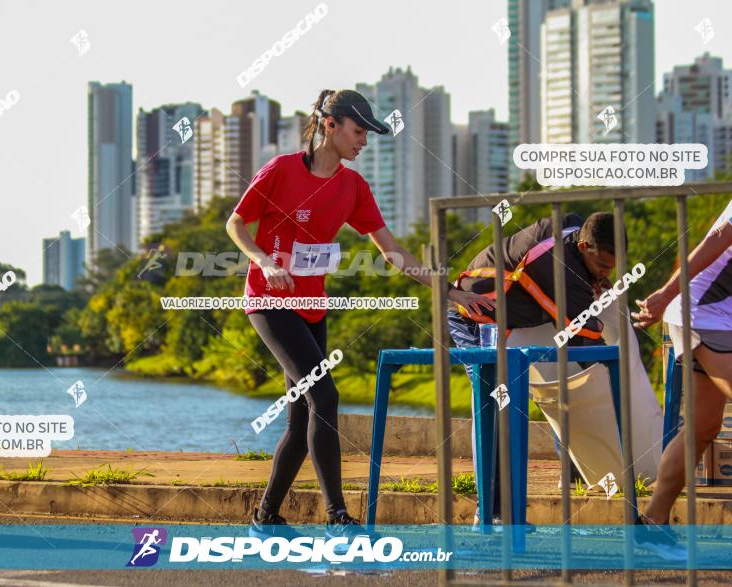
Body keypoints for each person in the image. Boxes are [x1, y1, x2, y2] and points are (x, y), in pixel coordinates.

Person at [225, 89, 493, 540]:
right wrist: (264, 262)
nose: (364, 140)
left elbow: (392, 253)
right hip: (270, 302)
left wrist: (449, 292)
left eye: (368, 132)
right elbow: (236, 223)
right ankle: (337, 517)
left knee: (300, 415)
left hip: (312, 307)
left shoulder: (353, 187)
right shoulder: (281, 170)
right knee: (325, 398)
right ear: (329, 124)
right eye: (358, 130)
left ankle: (265, 516)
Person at [449, 211, 621, 528]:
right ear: (583, 246)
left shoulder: (572, 227)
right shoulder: (560, 266)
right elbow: (587, 340)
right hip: (476, 316)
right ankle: (491, 512)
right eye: (602, 266)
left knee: (555, 388)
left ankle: (510, 506)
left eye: (612, 267)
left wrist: (594, 277)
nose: (605, 274)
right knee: (494, 406)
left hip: (513, 320)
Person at [631, 198, 732, 561]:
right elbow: (714, 241)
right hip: (701, 312)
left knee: (703, 427)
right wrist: (664, 295)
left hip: (723, 320)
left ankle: (652, 524)